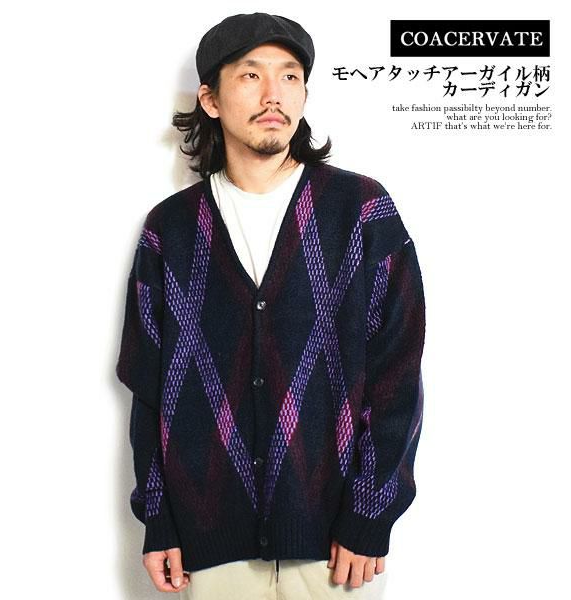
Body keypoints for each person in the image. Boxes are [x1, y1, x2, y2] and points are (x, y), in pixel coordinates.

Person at [115, 12, 426, 599]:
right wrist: (158, 519)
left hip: (337, 546)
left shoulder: (360, 211)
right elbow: (148, 386)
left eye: (289, 77)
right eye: (250, 75)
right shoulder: (170, 230)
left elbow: (397, 376)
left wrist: (370, 513)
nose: (273, 95)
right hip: (209, 546)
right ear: (210, 99)